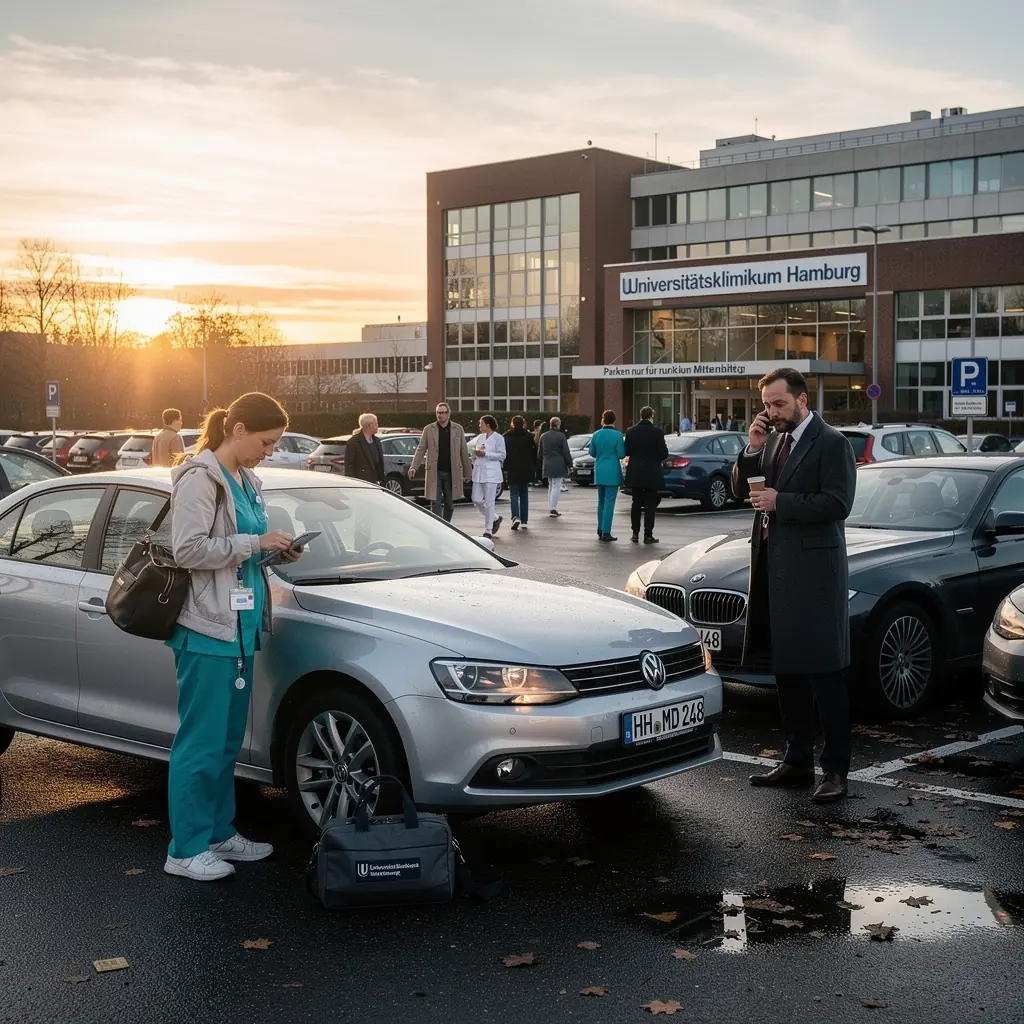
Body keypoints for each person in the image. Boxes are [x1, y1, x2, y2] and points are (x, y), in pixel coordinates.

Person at [164, 393, 300, 882]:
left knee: (224, 743)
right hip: (206, 628)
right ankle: (185, 848)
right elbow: (188, 549)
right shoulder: (200, 479)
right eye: (266, 441)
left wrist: (274, 553)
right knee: (199, 743)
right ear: (237, 429)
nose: (270, 450)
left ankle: (218, 833)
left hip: (240, 626)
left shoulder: (246, 478)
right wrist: (254, 543)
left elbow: (241, 552)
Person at [733, 367, 857, 804]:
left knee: (825, 673)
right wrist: (752, 448)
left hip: (816, 576)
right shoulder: (774, 441)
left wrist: (780, 502)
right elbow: (739, 490)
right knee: (787, 673)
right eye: (767, 405)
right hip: (774, 570)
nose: (772, 412)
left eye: (779, 404)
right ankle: (797, 760)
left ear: (802, 400)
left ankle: (836, 770)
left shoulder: (832, 443)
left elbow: (838, 503)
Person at [409, 402, 473, 522]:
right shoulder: (429, 429)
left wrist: (467, 473)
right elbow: (421, 449)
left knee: (449, 503)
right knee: (435, 501)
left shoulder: (457, 429)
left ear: (448, 414)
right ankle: (437, 525)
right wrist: (414, 467)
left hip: (451, 472)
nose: (440, 415)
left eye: (443, 413)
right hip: (435, 471)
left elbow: (463, 451)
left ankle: (446, 524)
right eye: (438, 413)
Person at [624, 406, 668, 545]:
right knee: (650, 505)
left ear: (640, 415)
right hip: (651, 472)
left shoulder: (631, 431)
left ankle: (635, 533)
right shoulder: (657, 432)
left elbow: (627, 450)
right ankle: (648, 535)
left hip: (635, 471)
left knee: (636, 503)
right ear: (652, 416)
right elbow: (663, 453)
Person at [588, 410, 626, 542]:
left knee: (601, 502)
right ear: (614, 420)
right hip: (612, 470)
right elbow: (621, 454)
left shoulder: (596, 434)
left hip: (599, 469)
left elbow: (592, 452)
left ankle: (600, 528)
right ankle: (606, 531)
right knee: (610, 502)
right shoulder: (618, 435)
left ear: (602, 419)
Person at [471, 414, 505, 538]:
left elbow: (502, 455)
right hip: (479, 472)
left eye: (481, 424)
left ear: (488, 425)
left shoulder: (498, 438)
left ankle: (488, 530)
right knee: (476, 499)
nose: (479, 426)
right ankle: (495, 518)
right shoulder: (480, 438)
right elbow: (477, 450)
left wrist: (486, 454)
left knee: (490, 502)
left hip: (491, 473)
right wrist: (475, 456)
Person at [503, 415, 536, 530]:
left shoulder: (506, 436)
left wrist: (505, 467)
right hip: (526, 468)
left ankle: (515, 517)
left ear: (512, 424)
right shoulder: (528, 436)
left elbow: (504, 454)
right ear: (523, 424)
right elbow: (534, 453)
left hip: (512, 468)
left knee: (514, 494)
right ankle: (524, 520)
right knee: (524, 494)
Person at [539, 415, 573, 518]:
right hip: (558, 463)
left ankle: (551, 507)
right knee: (557, 486)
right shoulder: (561, 436)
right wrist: (569, 464)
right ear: (558, 424)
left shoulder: (543, 436)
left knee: (550, 486)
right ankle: (553, 509)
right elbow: (566, 451)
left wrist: (539, 464)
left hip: (547, 463)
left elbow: (540, 453)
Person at [344, 413, 385, 485]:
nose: (378, 426)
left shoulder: (377, 441)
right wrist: (352, 483)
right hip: (361, 483)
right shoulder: (354, 442)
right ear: (370, 425)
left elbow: (379, 463)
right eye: (376, 423)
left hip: (376, 484)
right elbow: (349, 465)